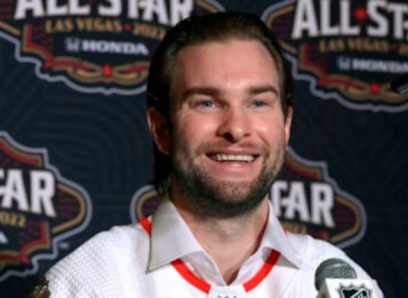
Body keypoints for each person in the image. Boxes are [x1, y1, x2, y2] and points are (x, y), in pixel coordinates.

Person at [34, 12, 383, 297]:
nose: (236, 127)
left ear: (286, 125)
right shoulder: (92, 280)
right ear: (161, 129)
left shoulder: (339, 283)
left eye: (258, 102)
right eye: (207, 102)